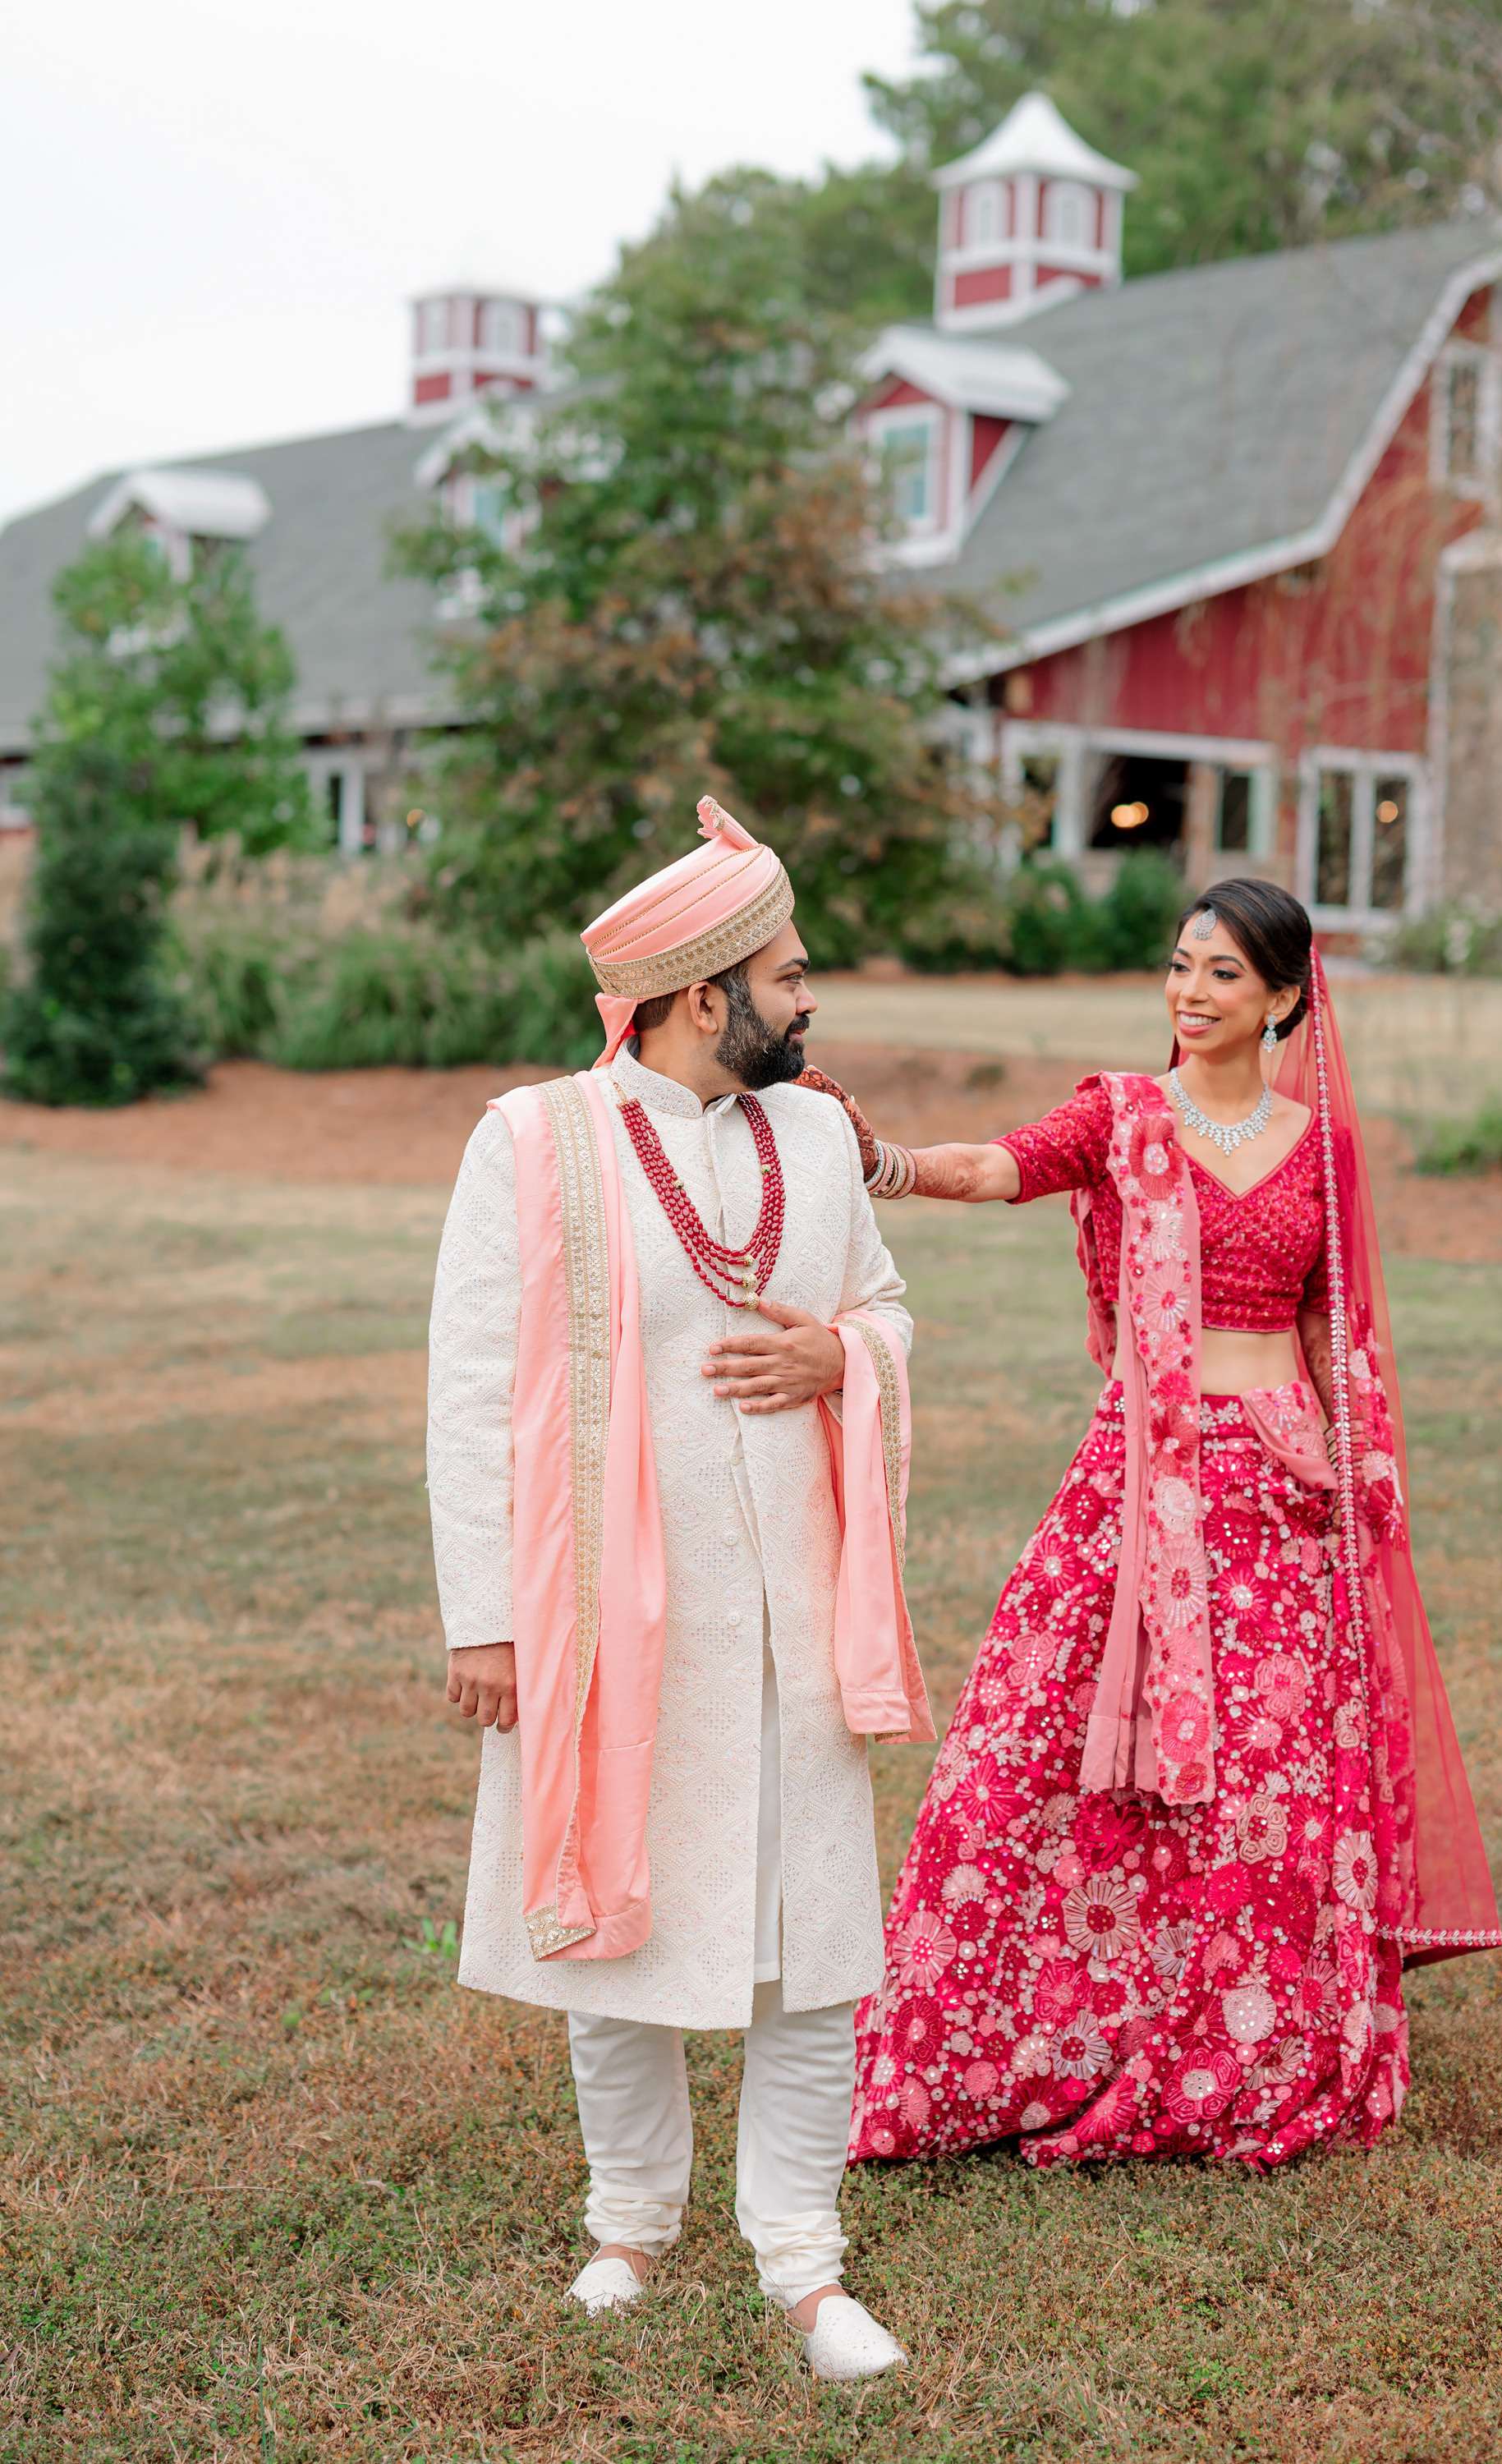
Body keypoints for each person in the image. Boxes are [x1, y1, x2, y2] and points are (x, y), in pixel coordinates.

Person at [831, 877, 1500, 2172]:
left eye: (1224, 976)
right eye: (1181, 965)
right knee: (1037, 1756)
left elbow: (1327, 1324)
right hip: (1144, 1489)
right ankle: (1026, 2032)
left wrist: (1360, 1471)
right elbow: (1000, 1165)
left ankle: (1249, 2036)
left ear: (1287, 999)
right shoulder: (1125, 1116)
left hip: (1285, 1500)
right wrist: (887, 1163)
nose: (1190, 994)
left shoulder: (1322, 1146)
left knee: (1271, 1786)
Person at [426, 798, 931, 2379]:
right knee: (617, 1934)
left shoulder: (814, 1136)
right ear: (702, 996)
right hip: (608, 1620)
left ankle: (804, 2260)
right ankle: (630, 2223)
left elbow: (889, 1310)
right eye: (787, 975)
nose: (808, 998)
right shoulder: (533, 1139)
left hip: (794, 1601)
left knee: (812, 1940)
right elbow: (467, 1384)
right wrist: (484, 1618)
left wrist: (837, 1352)